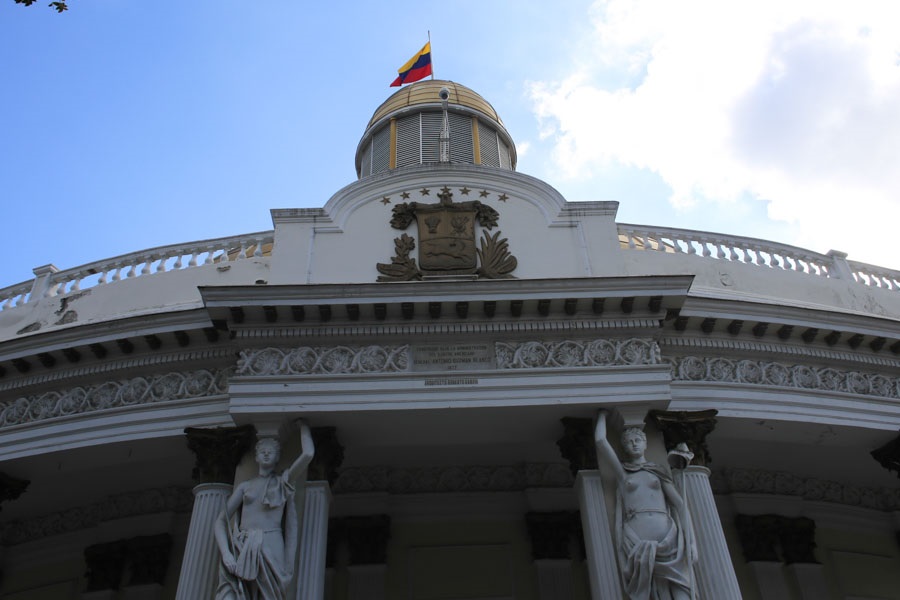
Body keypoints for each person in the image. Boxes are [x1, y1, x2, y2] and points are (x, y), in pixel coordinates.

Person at [594, 411, 696, 600]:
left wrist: (691, 541)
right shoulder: (623, 475)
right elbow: (601, 441)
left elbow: (680, 505)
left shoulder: (657, 472)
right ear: (624, 447)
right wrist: (602, 414)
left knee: (682, 590)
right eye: (628, 442)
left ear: (645, 443)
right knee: (651, 594)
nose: (633, 444)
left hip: (670, 537)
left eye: (637, 440)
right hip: (637, 539)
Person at [215, 421, 315, 600]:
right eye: (263, 451)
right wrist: (226, 553)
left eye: (271, 452)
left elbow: (308, 454)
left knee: (270, 595)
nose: (267, 454)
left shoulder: (283, 483)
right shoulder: (245, 487)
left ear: (278, 458)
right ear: (256, 457)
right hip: (242, 543)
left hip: (271, 543)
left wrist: (303, 427)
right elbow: (220, 521)